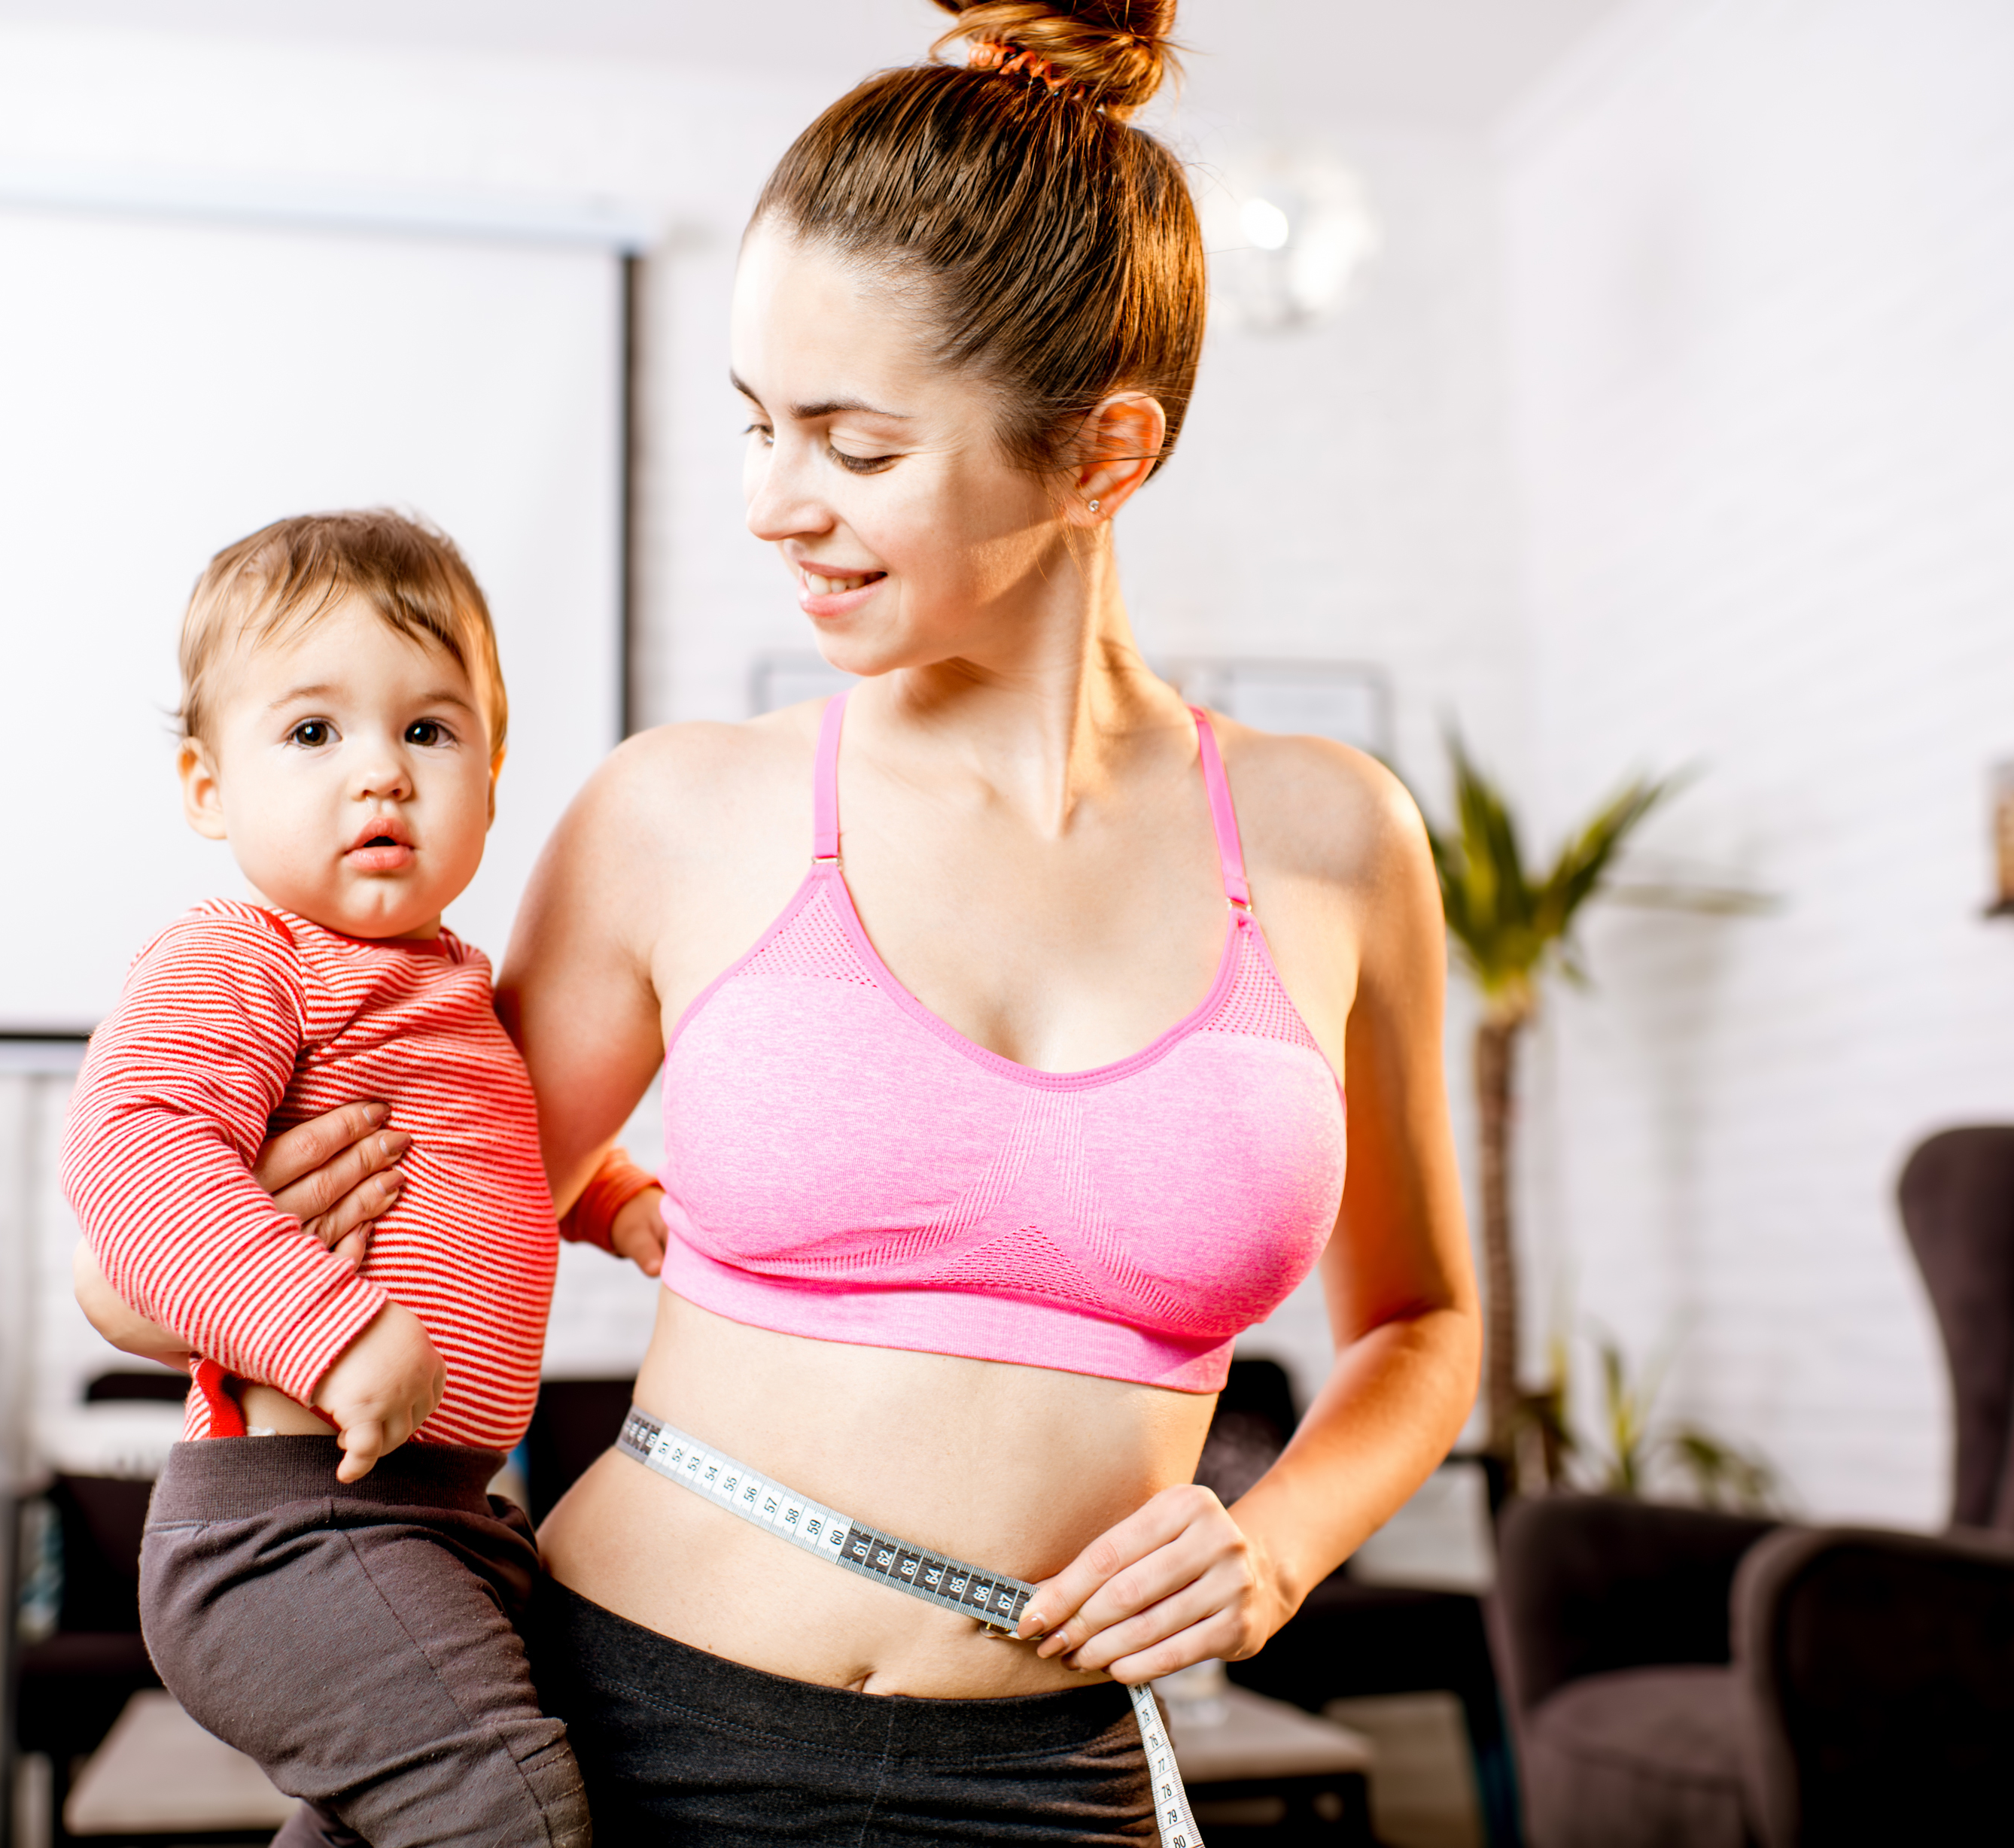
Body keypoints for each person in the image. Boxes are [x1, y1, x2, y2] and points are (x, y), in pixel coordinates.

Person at [87, 1, 1478, 1838]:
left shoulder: (1329, 841)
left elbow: (1421, 1320)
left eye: (851, 442)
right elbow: (219, 1248)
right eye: (756, 423)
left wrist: (1279, 1543)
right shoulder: (683, 814)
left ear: (1102, 454)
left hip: (1050, 1787)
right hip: (608, 1739)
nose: (772, 502)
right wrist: (195, 1238)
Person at [59, 510, 658, 1848]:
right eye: (314, 734)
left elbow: (493, 1153)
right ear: (209, 788)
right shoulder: (242, 957)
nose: (380, 776)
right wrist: (331, 1332)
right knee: (508, 1817)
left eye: (429, 733)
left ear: (494, 782)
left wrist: (619, 1202)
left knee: (393, 1821)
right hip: (291, 1526)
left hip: (429, 1510)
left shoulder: (449, 986)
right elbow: (137, 1161)